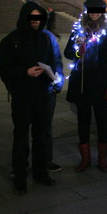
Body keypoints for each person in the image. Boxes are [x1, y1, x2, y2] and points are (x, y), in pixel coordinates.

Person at [0, 1, 57, 194]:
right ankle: (20, 177)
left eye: (39, 18)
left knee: (40, 135)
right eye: (32, 17)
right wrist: (25, 72)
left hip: (41, 94)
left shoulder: (45, 39)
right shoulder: (11, 40)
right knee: (21, 136)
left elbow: (53, 62)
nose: (35, 21)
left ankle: (40, 172)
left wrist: (50, 74)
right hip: (22, 95)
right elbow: (1, 68)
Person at [64, 0, 107, 172]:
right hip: (82, 84)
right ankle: (85, 159)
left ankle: (102, 159)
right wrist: (77, 52)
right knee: (83, 121)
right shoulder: (79, 31)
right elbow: (68, 52)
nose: (94, 13)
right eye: (91, 10)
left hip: (101, 84)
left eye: (98, 10)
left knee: (102, 121)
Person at [42, 27, 64, 173]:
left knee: (45, 128)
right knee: (22, 130)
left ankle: (45, 160)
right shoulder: (15, 38)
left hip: (47, 90)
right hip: (25, 92)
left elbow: (57, 61)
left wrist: (59, 82)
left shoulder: (48, 37)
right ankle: (20, 164)